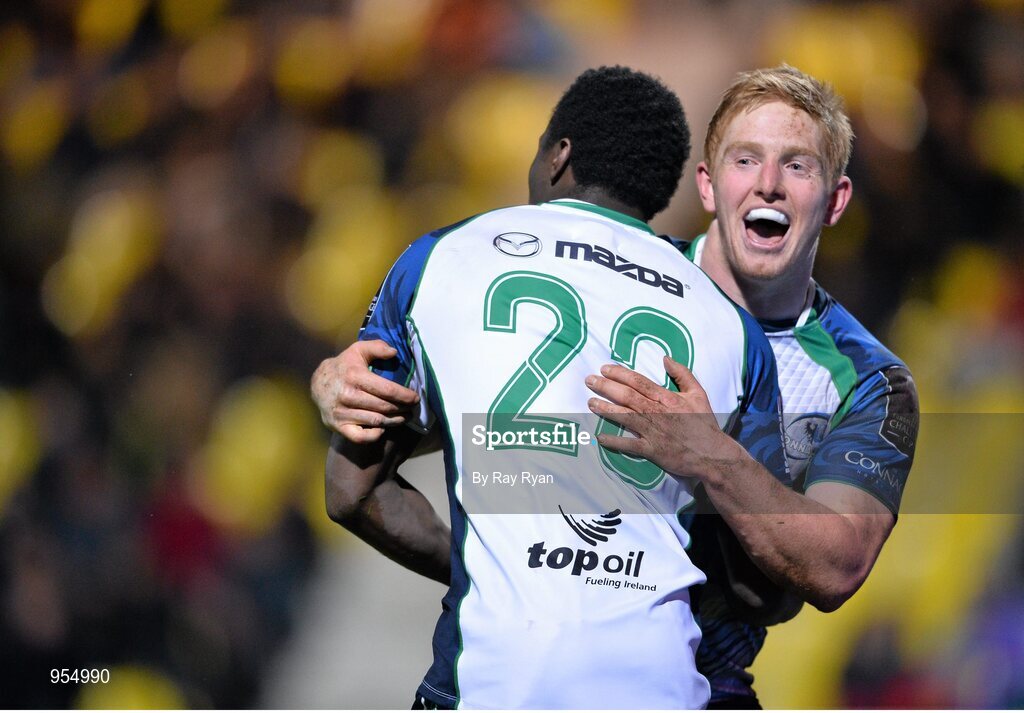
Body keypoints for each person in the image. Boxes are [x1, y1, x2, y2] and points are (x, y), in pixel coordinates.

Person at [313, 65, 920, 709]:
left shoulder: (870, 379)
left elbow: (834, 570)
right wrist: (336, 383)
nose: (768, 184)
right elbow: (490, 418)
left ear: (835, 198)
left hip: (701, 679)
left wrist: (709, 459)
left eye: (797, 166)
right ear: (709, 186)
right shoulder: (630, 287)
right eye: (747, 159)